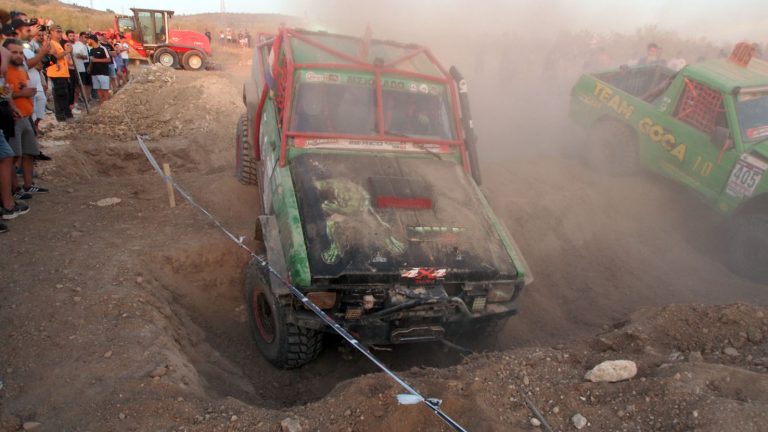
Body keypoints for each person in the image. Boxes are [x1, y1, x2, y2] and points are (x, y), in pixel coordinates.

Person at [4, 38, 48, 202]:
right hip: (13, 117)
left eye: (21, 52)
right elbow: (4, 95)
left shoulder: (21, 68)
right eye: (14, 52)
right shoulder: (4, 71)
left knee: (29, 153)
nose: (18, 55)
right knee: (13, 156)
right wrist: (22, 94)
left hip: (27, 115)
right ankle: (14, 189)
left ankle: (29, 185)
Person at [46, 24, 73, 122]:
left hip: (63, 73)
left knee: (64, 94)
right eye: (57, 31)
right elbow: (54, 57)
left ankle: (63, 115)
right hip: (56, 73)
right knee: (61, 94)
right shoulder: (51, 43)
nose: (60, 33)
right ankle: (63, 116)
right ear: (51, 32)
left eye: (60, 31)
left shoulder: (58, 43)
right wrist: (67, 51)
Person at [87, 34, 110, 102]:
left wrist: (96, 60)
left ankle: (107, 104)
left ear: (92, 40)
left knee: (105, 89)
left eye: (88, 40)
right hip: (94, 73)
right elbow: (91, 60)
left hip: (103, 72)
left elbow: (108, 59)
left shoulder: (103, 48)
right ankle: (102, 103)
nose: (87, 41)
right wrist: (89, 67)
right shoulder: (91, 50)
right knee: (98, 89)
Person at [72, 32, 91, 105]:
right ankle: (78, 101)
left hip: (86, 64)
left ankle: (87, 99)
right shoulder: (76, 45)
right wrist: (83, 56)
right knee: (81, 85)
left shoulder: (86, 45)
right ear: (80, 37)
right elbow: (77, 55)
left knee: (87, 83)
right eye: (84, 37)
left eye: (86, 37)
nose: (86, 39)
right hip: (81, 65)